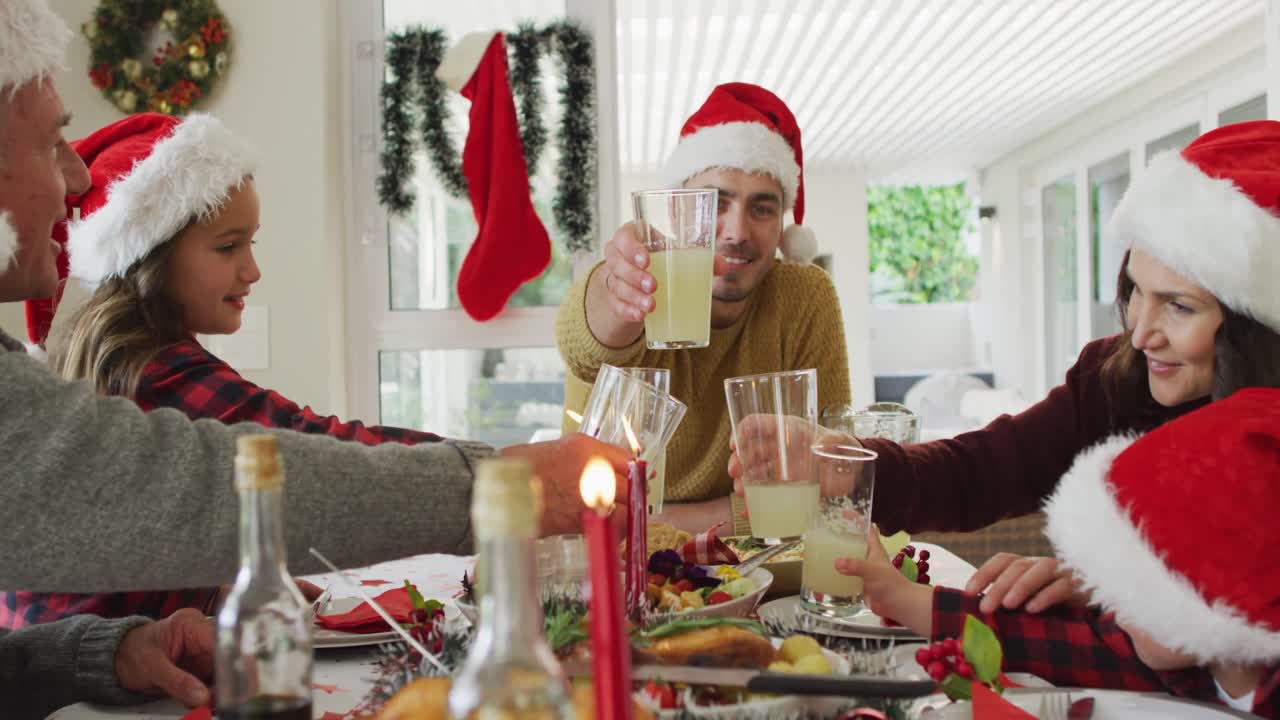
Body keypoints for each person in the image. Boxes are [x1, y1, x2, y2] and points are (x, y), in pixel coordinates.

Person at [0, 0, 628, 713]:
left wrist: (108, 647)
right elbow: (279, 457)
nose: (75, 178)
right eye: (53, 142)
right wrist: (508, 481)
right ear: (151, 261)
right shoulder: (160, 369)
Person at [730, 119, 1280, 611]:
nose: (1139, 331)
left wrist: (1109, 591)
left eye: (1178, 306)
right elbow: (983, 469)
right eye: (1136, 290)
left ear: (1253, 326)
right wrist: (844, 463)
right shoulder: (1111, 376)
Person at [834, 387, 1280, 717]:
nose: (1108, 593)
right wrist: (899, 598)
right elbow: (1038, 641)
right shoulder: (1171, 656)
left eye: (1139, 580)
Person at [557, 82, 851, 535]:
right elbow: (585, 346)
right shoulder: (639, 279)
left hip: (759, 573)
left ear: (782, 227)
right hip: (614, 567)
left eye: (762, 208)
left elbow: (831, 479)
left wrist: (667, 522)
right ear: (675, 212)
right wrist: (614, 290)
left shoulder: (804, 296)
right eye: (714, 202)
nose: (736, 232)